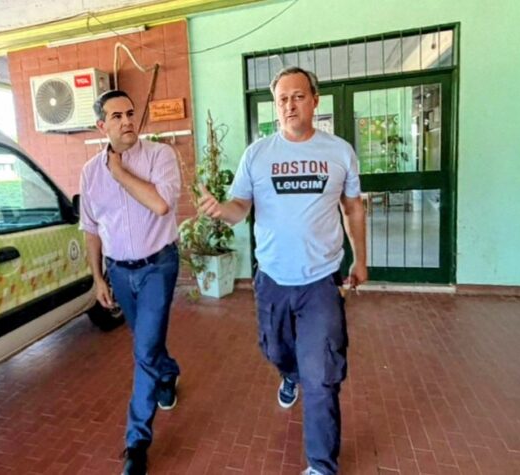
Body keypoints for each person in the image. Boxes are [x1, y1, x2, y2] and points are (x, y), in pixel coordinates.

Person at [197, 66, 367, 475]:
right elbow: (240, 207)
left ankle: (321, 465)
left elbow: (352, 208)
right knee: (275, 350)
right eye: (282, 99)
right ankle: (290, 374)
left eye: (298, 96)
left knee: (322, 375)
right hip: (272, 278)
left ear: (315, 101)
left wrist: (360, 259)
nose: (290, 105)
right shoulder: (257, 154)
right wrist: (222, 211)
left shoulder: (339, 152)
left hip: (321, 280)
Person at [79, 89, 181, 475]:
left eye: (130, 114)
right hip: (120, 272)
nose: (126, 121)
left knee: (144, 349)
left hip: (158, 266)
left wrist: (119, 173)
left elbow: (160, 204)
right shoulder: (90, 173)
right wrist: (98, 278)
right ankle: (168, 372)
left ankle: (136, 442)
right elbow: (91, 229)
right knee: (147, 343)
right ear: (101, 126)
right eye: (116, 116)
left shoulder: (160, 156)